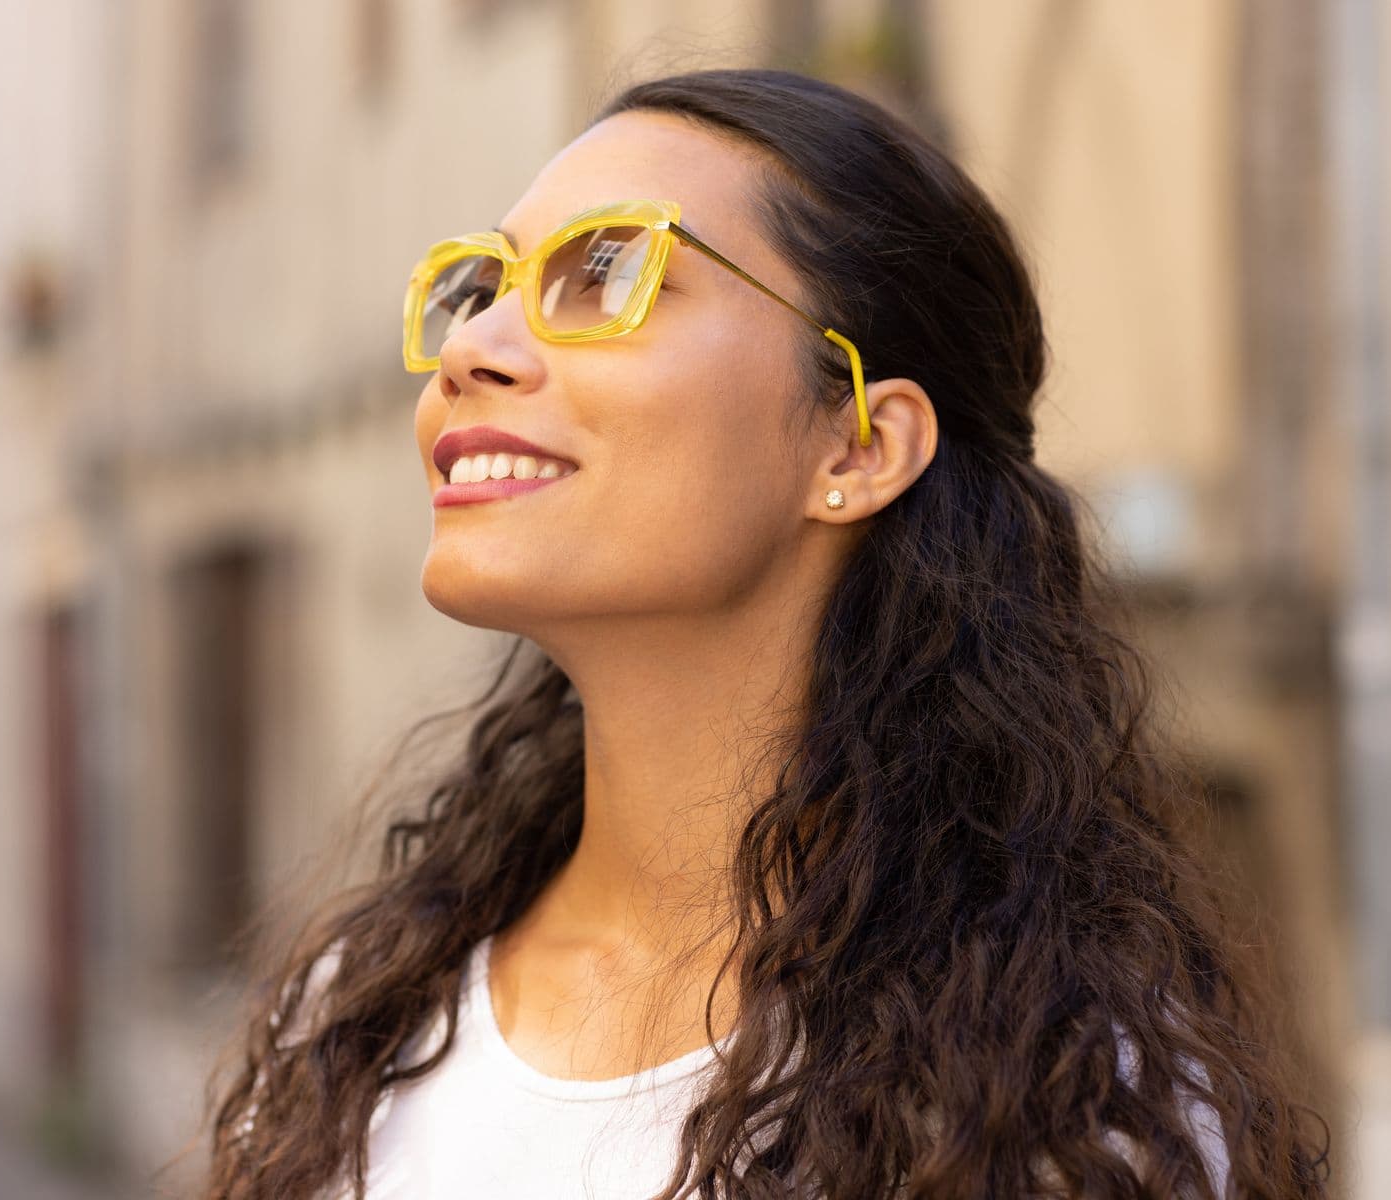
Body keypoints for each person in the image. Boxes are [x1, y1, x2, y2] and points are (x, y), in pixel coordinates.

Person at [200, 68, 1331, 1199]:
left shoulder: (1062, 1111)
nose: (471, 349)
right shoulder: (358, 1019)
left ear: (859, 445)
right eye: (479, 288)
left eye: (609, 271)